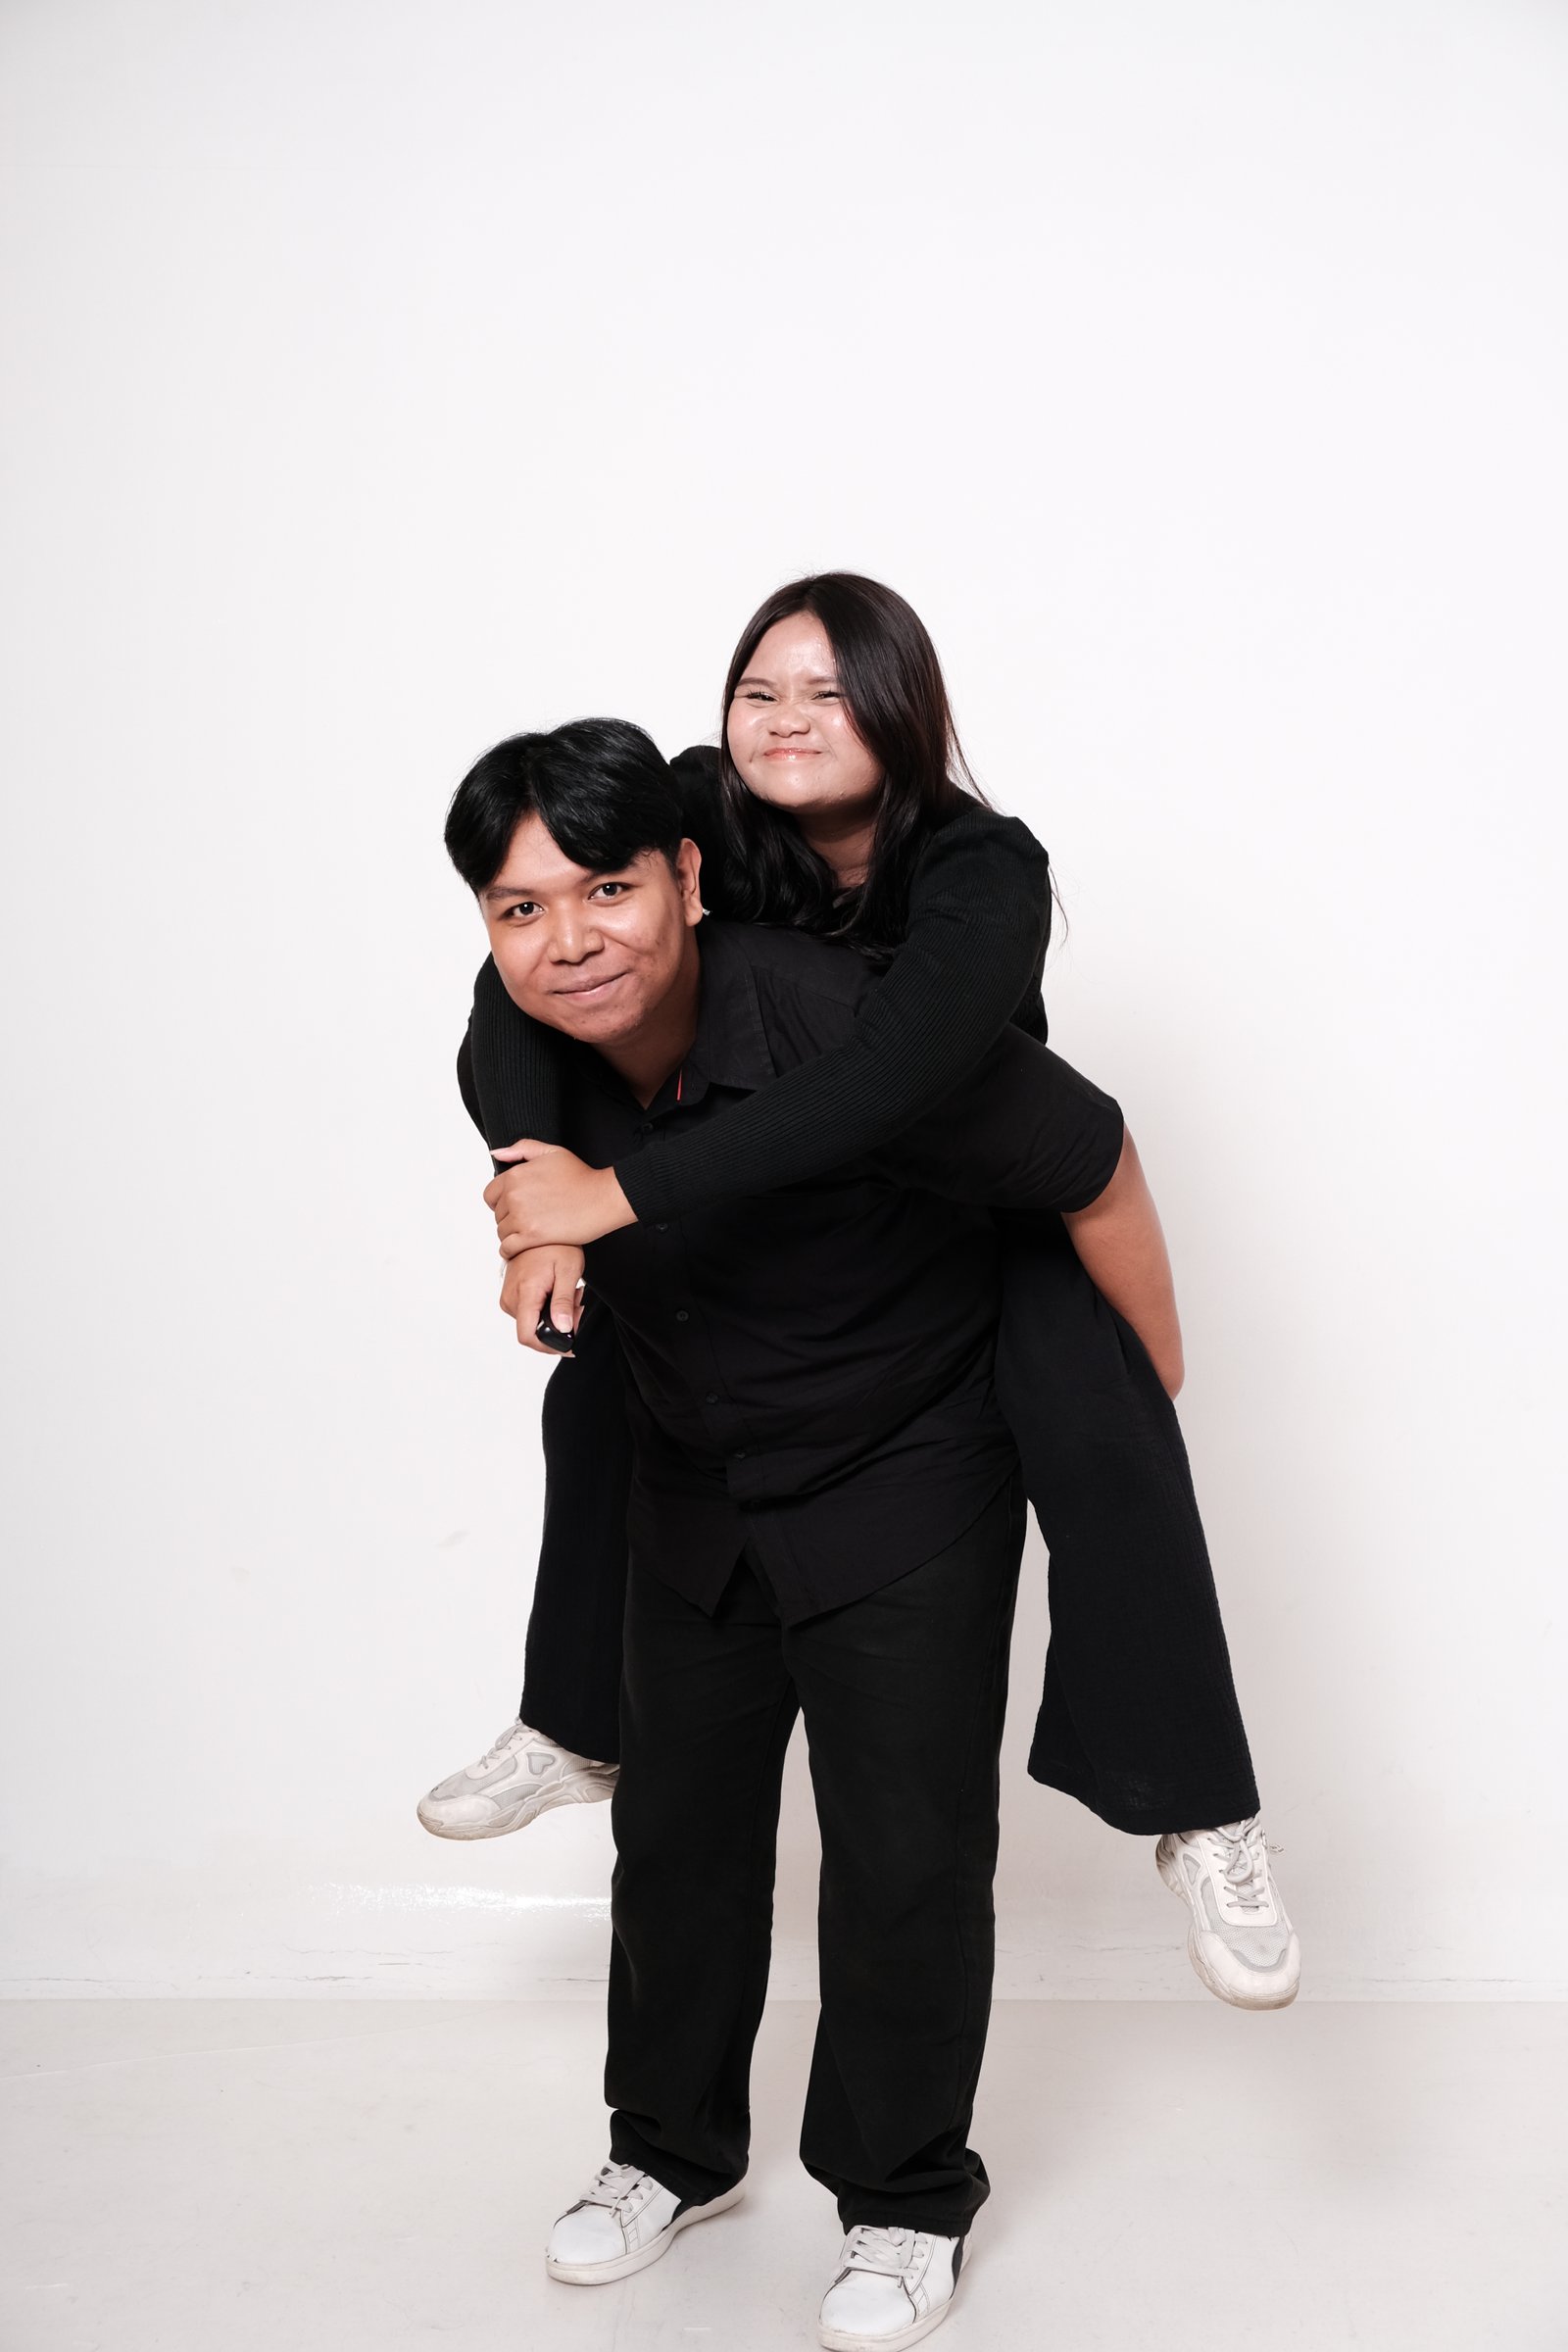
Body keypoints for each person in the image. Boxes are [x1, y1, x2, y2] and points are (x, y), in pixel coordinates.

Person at [423, 573, 1299, 2015]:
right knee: (603, 1392)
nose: (787, 719)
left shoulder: (979, 866)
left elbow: (893, 1085)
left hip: (975, 1192)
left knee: (1107, 1426)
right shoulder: (699, 810)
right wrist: (539, 1201)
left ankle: (1204, 1812)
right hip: (793, 1224)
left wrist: (1154, 1358)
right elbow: (518, 965)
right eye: (759, 689)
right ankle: (573, 1726)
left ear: (905, 708)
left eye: (830, 692)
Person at [441, 715, 1172, 2343]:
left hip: (904, 1475)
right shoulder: (533, 1051)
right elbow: (522, 1137)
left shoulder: (844, 1021)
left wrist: (1145, 1393)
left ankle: (905, 2200)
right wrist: (531, 1228)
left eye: (609, 890)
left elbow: (1082, 1146)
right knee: (677, 1844)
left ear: (689, 877)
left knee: (906, 1857)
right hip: (699, 1483)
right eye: (521, 909)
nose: (571, 940)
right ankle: (668, 2152)